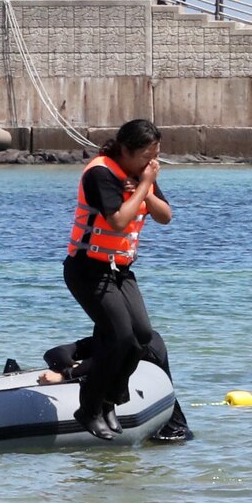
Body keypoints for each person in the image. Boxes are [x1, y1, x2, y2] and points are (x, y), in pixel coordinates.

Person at [63, 119, 173, 439]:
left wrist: (145, 186)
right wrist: (143, 185)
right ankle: (89, 408)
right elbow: (117, 221)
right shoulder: (101, 173)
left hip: (119, 270)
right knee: (119, 337)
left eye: (156, 155)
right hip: (87, 269)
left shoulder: (142, 174)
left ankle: (110, 398)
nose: (153, 163)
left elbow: (165, 216)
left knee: (142, 337)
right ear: (125, 151)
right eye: (146, 156)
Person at [38, 330, 193, 442]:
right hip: (141, 441)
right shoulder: (107, 342)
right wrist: (72, 367)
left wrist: (66, 375)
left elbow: (109, 361)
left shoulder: (147, 342)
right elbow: (55, 353)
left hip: (171, 437)